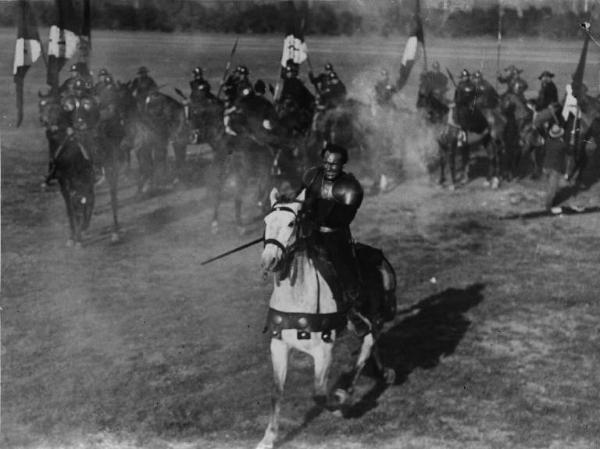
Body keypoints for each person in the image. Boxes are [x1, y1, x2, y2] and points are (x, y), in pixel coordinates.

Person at [301, 143, 380, 332]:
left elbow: (342, 218)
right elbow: (300, 197)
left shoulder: (351, 187)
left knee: (344, 273)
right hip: (311, 233)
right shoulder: (313, 177)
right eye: (326, 163)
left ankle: (356, 313)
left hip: (335, 237)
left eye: (334, 164)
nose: (329, 168)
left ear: (342, 165)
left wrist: (314, 220)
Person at [542, 124, 567, 212]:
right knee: (552, 190)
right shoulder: (562, 145)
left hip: (546, 167)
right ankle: (548, 208)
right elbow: (566, 155)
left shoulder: (547, 142)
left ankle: (548, 202)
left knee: (549, 187)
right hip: (555, 169)